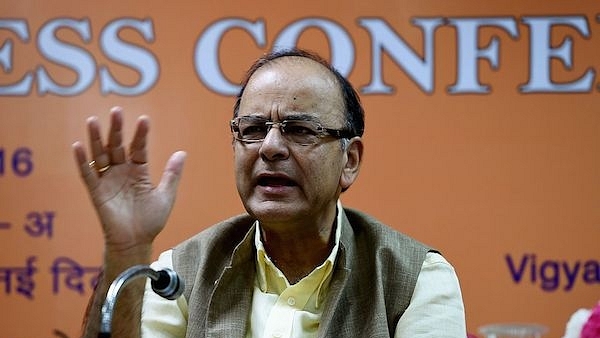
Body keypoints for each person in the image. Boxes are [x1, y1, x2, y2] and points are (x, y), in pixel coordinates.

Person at [74, 48, 466, 338]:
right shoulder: (180, 274)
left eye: (299, 129)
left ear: (350, 160)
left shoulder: (417, 279)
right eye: (253, 129)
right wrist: (127, 249)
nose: (270, 147)